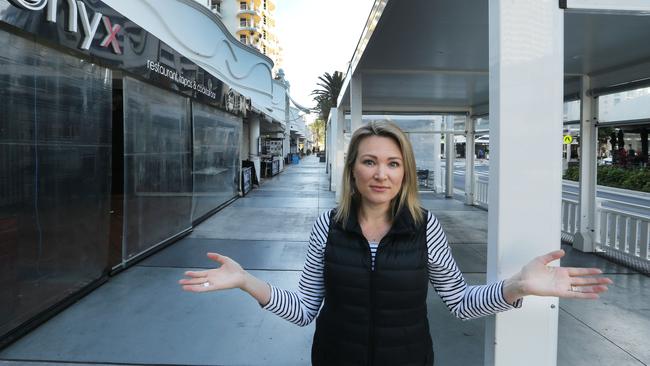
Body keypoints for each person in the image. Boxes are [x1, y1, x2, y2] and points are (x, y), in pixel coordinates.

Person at [179, 121, 612, 365]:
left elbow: (460, 301)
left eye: (392, 163)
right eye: (369, 162)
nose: (380, 173)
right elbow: (304, 310)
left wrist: (518, 285)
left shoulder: (426, 228)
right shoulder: (326, 227)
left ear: (404, 172)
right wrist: (245, 281)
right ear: (353, 171)